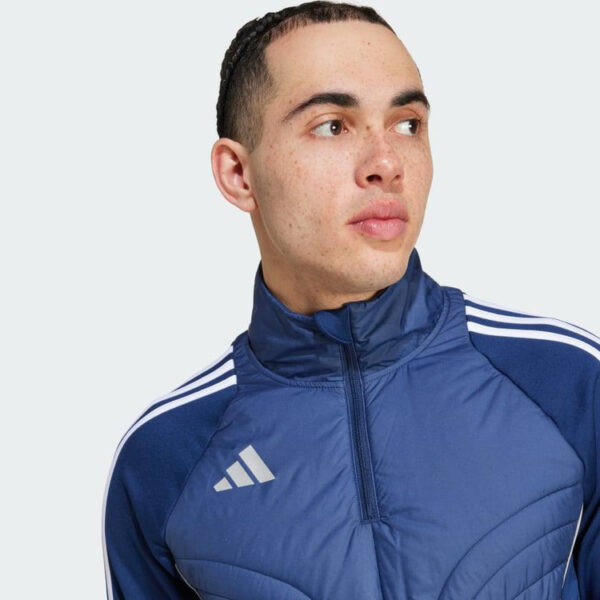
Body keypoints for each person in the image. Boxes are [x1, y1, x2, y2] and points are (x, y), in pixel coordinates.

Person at [102, 2, 599, 598]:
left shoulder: (566, 382)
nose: (387, 164)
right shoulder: (166, 458)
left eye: (407, 124)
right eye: (332, 126)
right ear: (238, 174)